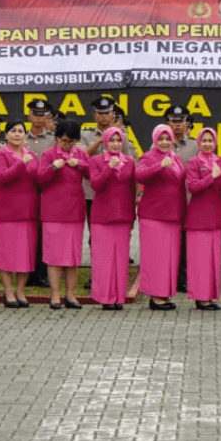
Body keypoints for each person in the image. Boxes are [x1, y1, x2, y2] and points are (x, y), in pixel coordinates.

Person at [35, 119, 89, 309]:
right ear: (57, 138)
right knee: (54, 257)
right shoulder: (48, 154)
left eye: (72, 141)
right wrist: (54, 167)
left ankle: (71, 294)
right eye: (65, 140)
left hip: (74, 211)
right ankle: (55, 294)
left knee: (73, 257)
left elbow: (92, 173)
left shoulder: (80, 154)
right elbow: (40, 178)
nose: (68, 145)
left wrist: (80, 164)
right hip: (54, 212)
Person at [135, 124, 187, 310]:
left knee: (169, 258)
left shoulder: (177, 158)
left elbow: (181, 187)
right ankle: (155, 297)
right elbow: (139, 175)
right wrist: (159, 165)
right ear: (155, 140)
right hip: (154, 215)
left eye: (168, 139)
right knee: (155, 257)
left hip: (173, 216)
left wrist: (184, 213)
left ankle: (164, 294)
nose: (164, 142)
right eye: (161, 139)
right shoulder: (149, 157)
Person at [0, 121, 41, 308]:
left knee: (25, 255)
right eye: (13, 131)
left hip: (28, 211)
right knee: (7, 253)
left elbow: (38, 179)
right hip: (8, 212)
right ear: (6, 135)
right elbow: (2, 177)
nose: (17, 134)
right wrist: (20, 163)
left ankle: (20, 290)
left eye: (21, 131)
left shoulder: (32, 155)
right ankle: (8, 291)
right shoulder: (0, 154)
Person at [88, 126, 136, 310]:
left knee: (121, 260)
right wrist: (110, 167)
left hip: (123, 216)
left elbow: (132, 190)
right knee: (104, 260)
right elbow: (96, 185)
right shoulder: (96, 161)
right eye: (112, 140)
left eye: (118, 140)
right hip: (102, 217)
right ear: (105, 142)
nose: (116, 144)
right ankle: (105, 297)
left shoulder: (130, 162)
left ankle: (118, 296)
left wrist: (132, 216)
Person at [184, 127, 221, 310]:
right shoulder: (193, 163)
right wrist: (211, 176)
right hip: (198, 217)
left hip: (216, 216)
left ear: (216, 143)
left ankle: (210, 296)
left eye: (211, 141)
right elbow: (193, 187)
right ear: (199, 143)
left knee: (213, 259)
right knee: (199, 259)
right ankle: (200, 298)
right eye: (204, 140)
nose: (208, 144)